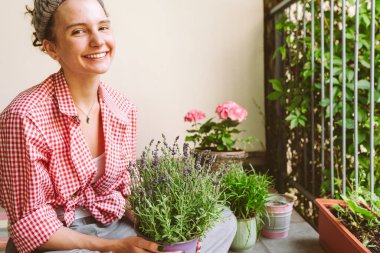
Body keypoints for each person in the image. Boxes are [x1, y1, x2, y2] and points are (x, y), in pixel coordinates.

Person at [0, 0, 237, 253]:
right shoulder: (24, 116)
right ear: (52, 48)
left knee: (221, 220)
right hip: (58, 239)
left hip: (112, 223)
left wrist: (170, 232)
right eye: (78, 31)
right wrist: (113, 248)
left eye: (102, 27)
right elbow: (31, 224)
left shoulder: (123, 108)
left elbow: (124, 192)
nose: (98, 41)